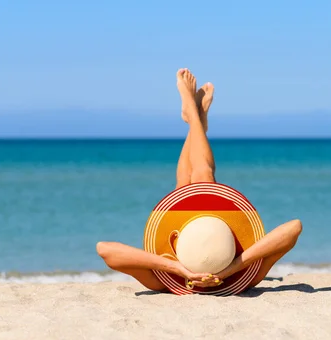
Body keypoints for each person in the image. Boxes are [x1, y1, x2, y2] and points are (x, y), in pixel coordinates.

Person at [96, 68, 302, 292]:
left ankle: (194, 117)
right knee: (203, 175)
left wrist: (176, 268)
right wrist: (233, 268)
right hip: (229, 265)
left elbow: (105, 249)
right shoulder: (245, 278)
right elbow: (294, 228)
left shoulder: (163, 281)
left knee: (186, 184)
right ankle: (195, 118)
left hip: (180, 264)